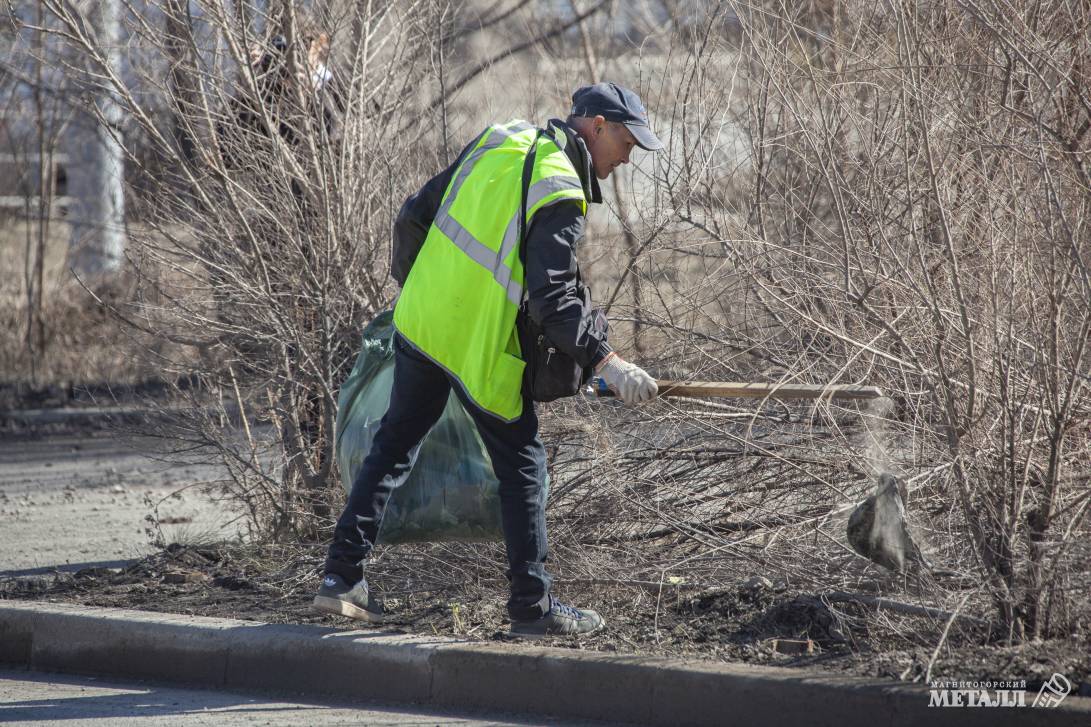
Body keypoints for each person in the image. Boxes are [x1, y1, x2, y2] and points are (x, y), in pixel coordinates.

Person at [313, 82, 662, 637]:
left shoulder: (501, 138)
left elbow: (412, 217)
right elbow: (553, 299)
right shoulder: (560, 189)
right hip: (478, 349)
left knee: (394, 444)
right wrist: (607, 361)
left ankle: (340, 578)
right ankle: (532, 607)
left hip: (423, 326)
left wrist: (419, 292)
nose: (627, 156)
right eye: (625, 140)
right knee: (524, 467)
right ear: (595, 126)